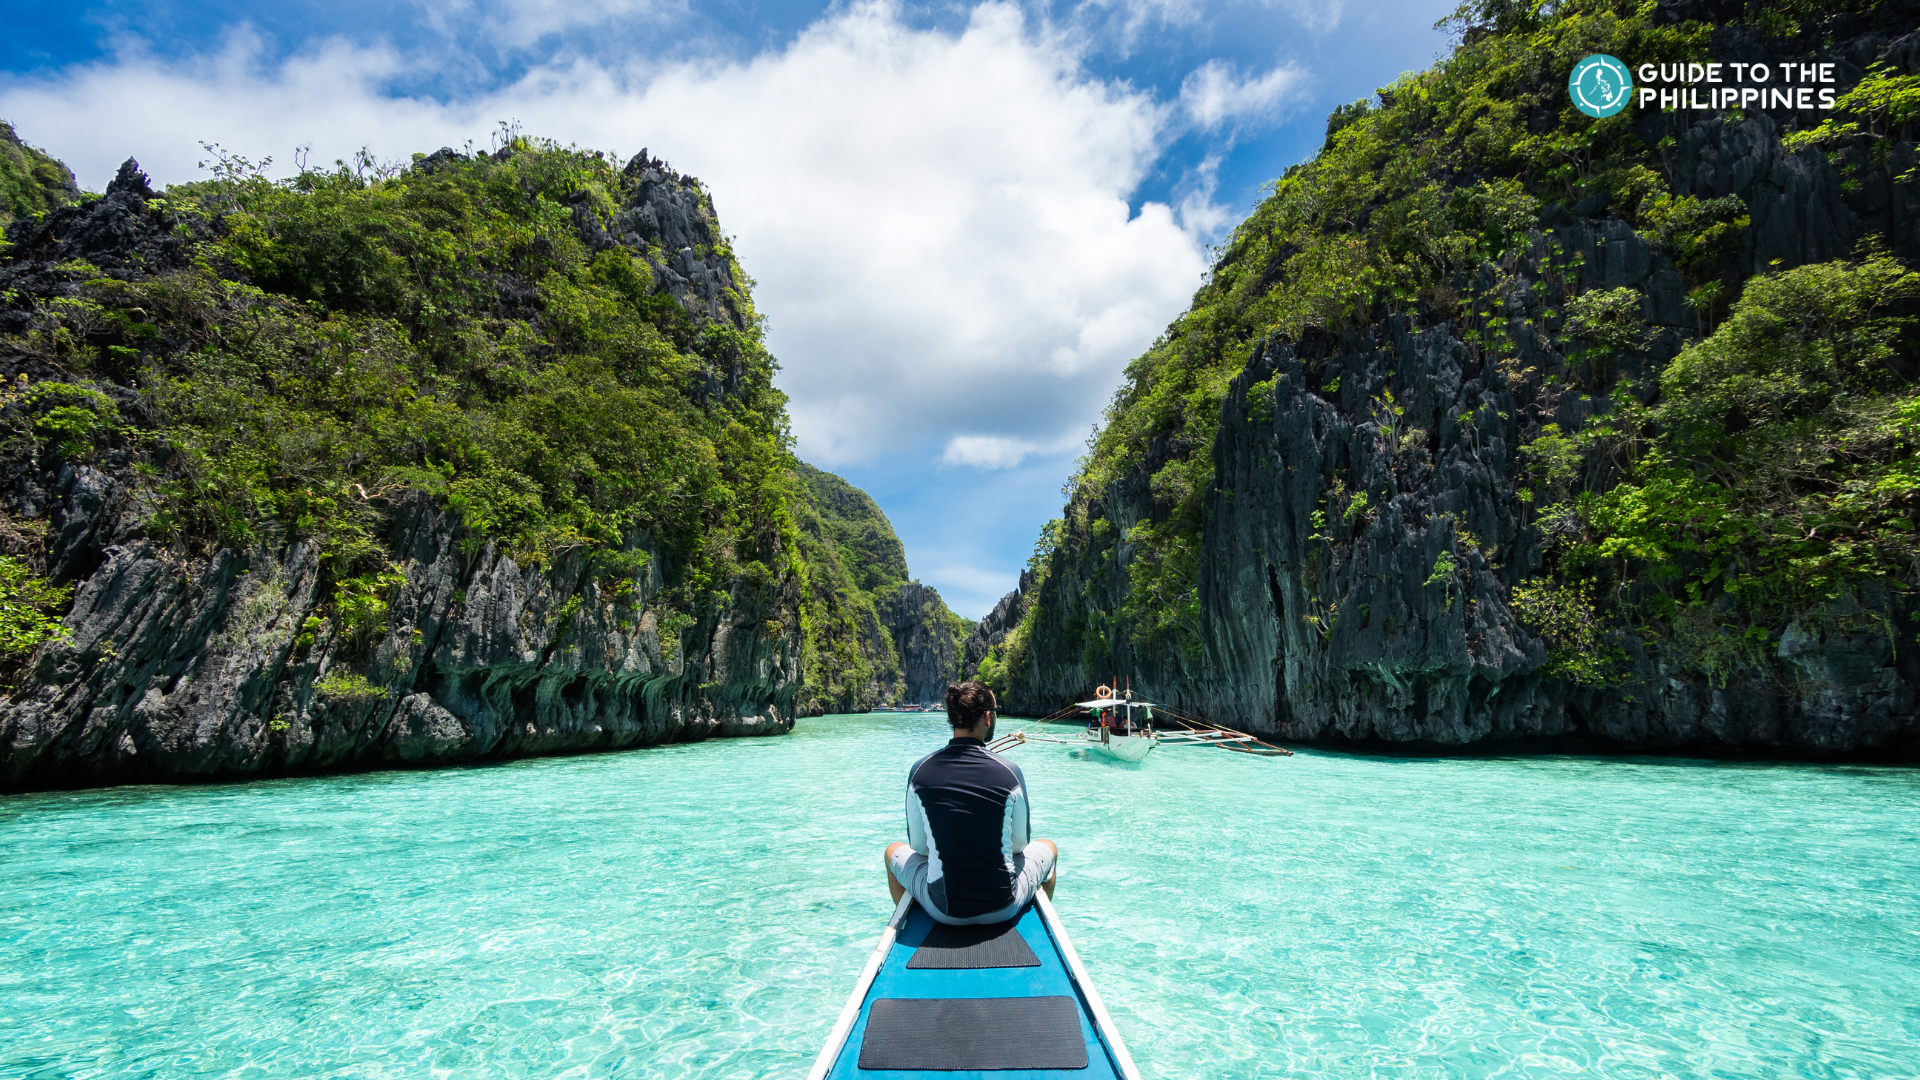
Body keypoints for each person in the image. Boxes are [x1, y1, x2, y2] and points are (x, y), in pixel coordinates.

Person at [884, 681, 1057, 925]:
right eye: (995, 712)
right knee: (1049, 847)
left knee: (892, 851)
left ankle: (914, 925)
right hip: (1004, 906)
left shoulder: (920, 771)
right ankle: (1038, 925)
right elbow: (1020, 845)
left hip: (944, 911)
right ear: (987, 717)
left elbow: (919, 848)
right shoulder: (1010, 772)